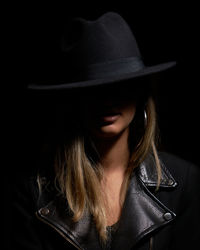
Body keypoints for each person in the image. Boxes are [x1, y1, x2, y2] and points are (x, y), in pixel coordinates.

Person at [11, 12, 200, 250]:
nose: (107, 101)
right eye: (93, 90)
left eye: (119, 86)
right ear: (74, 100)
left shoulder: (184, 182)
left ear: (139, 93)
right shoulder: (33, 192)